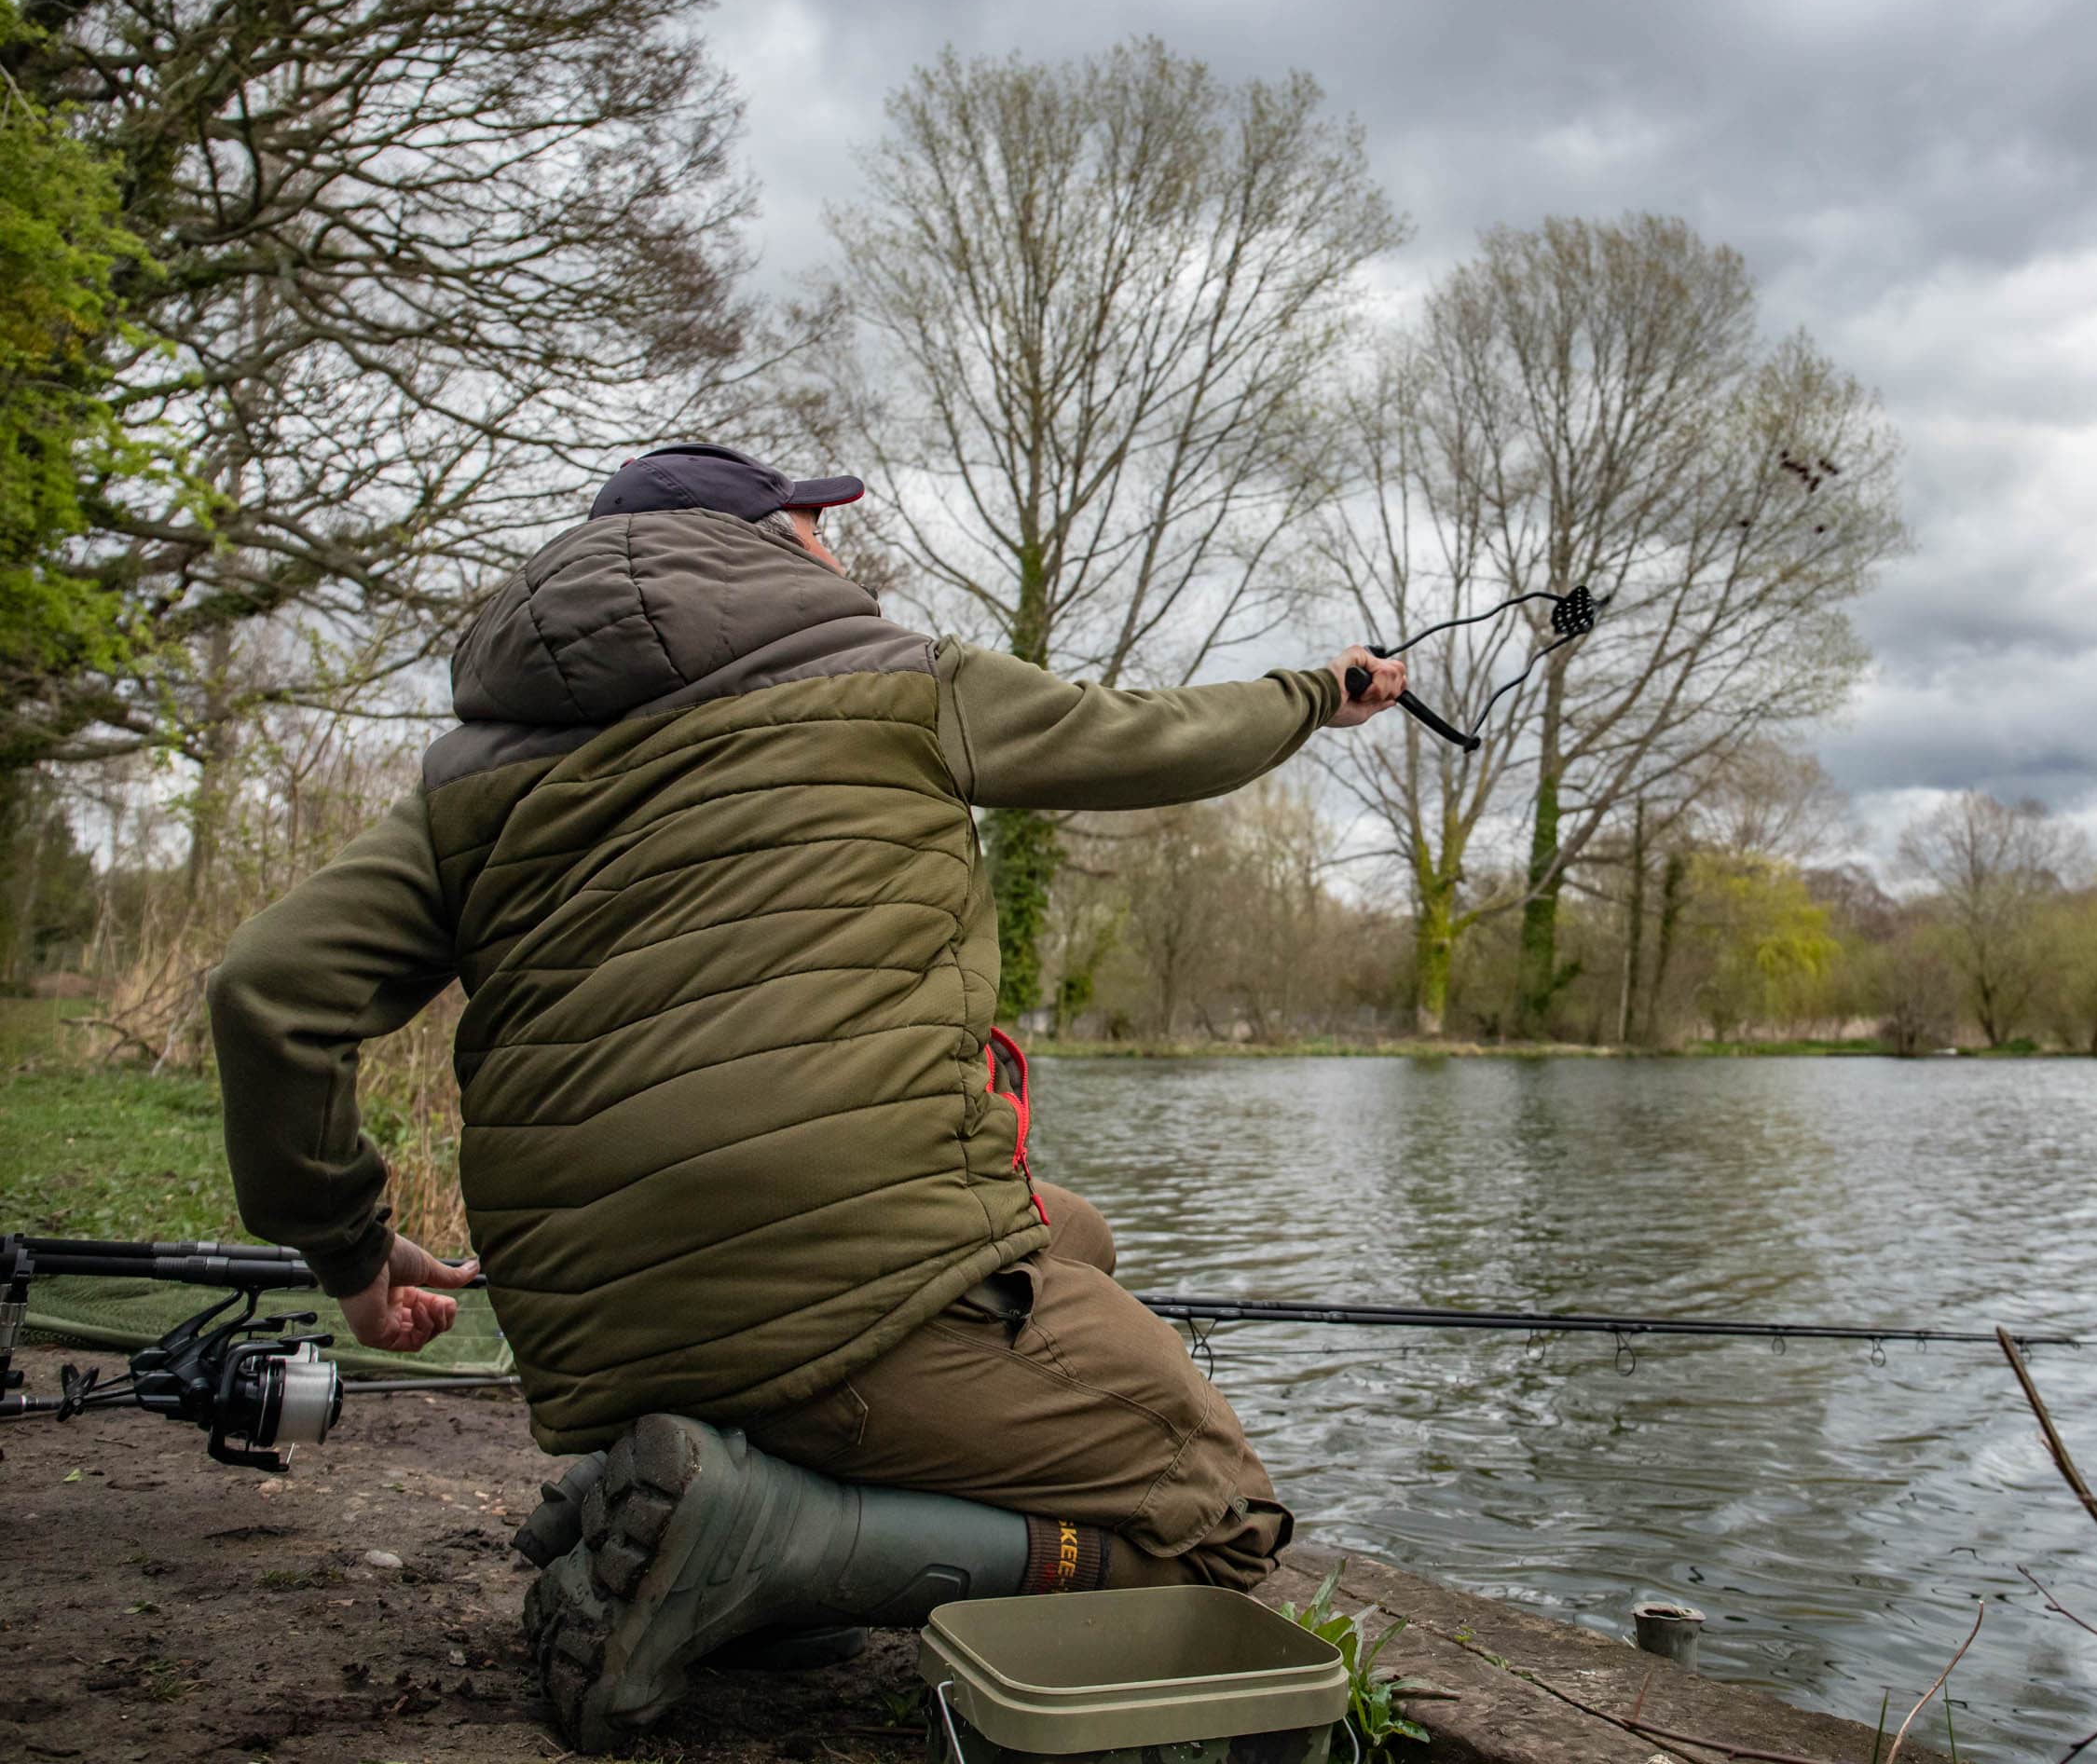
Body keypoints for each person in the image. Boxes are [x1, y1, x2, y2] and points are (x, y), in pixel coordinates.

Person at [205, 442, 1409, 1748]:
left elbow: (268, 993)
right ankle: (777, 1544)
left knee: (1072, 1238)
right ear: (770, 542)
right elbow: (1158, 738)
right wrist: (1316, 691)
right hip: (842, 1280)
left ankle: (680, 1494)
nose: (838, 548)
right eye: (819, 525)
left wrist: (352, 1246)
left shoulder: (465, 786)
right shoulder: (900, 683)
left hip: (596, 1332)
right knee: (1220, 1523)